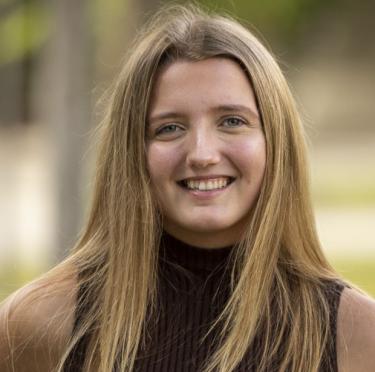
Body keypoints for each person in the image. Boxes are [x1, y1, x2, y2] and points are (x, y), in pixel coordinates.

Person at [1, 4, 374, 372]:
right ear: (132, 152)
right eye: (169, 128)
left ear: (276, 141)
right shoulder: (40, 323)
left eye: (231, 121)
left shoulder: (355, 333)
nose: (201, 154)